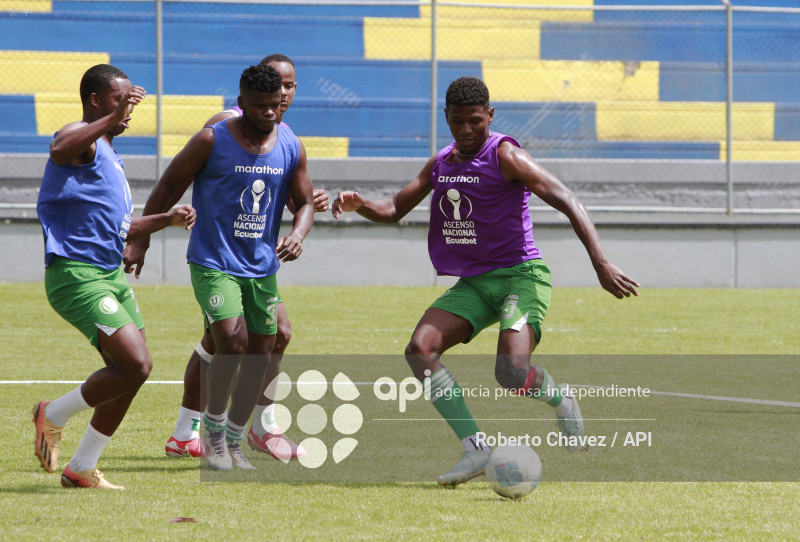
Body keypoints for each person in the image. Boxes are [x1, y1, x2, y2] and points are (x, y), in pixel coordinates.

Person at [332, 76, 639, 487]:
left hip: (520, 277)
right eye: (457, 121)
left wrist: (601, 263)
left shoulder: (505, 155)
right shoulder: (441, 163)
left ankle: (562, 400)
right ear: (446, 117)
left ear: (490, 116)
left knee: (511, 372)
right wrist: (361, 204)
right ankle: (475, 447)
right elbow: (393, 208)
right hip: (475, 283)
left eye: (474, 121)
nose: (465, 129)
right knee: (420, 350)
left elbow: (569, 199)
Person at [126, 64, 314, 471]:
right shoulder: (212, 138)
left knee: (263, 349)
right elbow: (168, 185)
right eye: (261, 105)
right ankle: (210, 434)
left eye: (275, 104)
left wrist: (298, 233)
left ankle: (234, 439)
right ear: (241, 102)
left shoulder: (291, 145)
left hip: (260, 266)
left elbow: (305, 202)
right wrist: (141, 238)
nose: (270, 111)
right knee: (231, 339)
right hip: (213, 261)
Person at [33, 64, 196, 490]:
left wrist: (166, 219)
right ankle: (52, 414)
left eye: (129, 103)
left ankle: (82, 467)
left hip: (109, 275)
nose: (128, 110)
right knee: (136, 364)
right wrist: (110, 119)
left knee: (130, 372)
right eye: (119, 101)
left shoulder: (108, 153)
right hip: (78, 275)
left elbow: (121, 228)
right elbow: (59, 148)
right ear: (95, 101)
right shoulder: (81, 137)